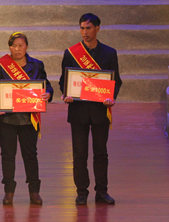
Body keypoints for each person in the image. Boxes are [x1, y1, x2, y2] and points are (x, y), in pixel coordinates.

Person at [59, 13, 122, 206]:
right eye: (81, 28)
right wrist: (66, 94)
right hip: (78, 111)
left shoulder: (109, 53)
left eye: (88, 28)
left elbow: (116, 81)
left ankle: (102, 191)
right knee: (79, 154)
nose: (84, 32)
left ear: (97, 29)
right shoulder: (71, 53)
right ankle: (81, 192)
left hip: (100, 110)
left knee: (101, 153)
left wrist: (111, 97)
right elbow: (64, 81)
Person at [0, 32, 53, 205]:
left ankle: (34, 191)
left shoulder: (37, 65)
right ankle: (9, 191)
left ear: (26, 46)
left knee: (30, 155)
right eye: (13, 46)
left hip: (29, 118)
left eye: (20, 45)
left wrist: (48, 94)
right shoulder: (1, 65)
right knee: (7, 155)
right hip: (6, 119)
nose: (17, 49)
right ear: (9, 47)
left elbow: (47, 86)